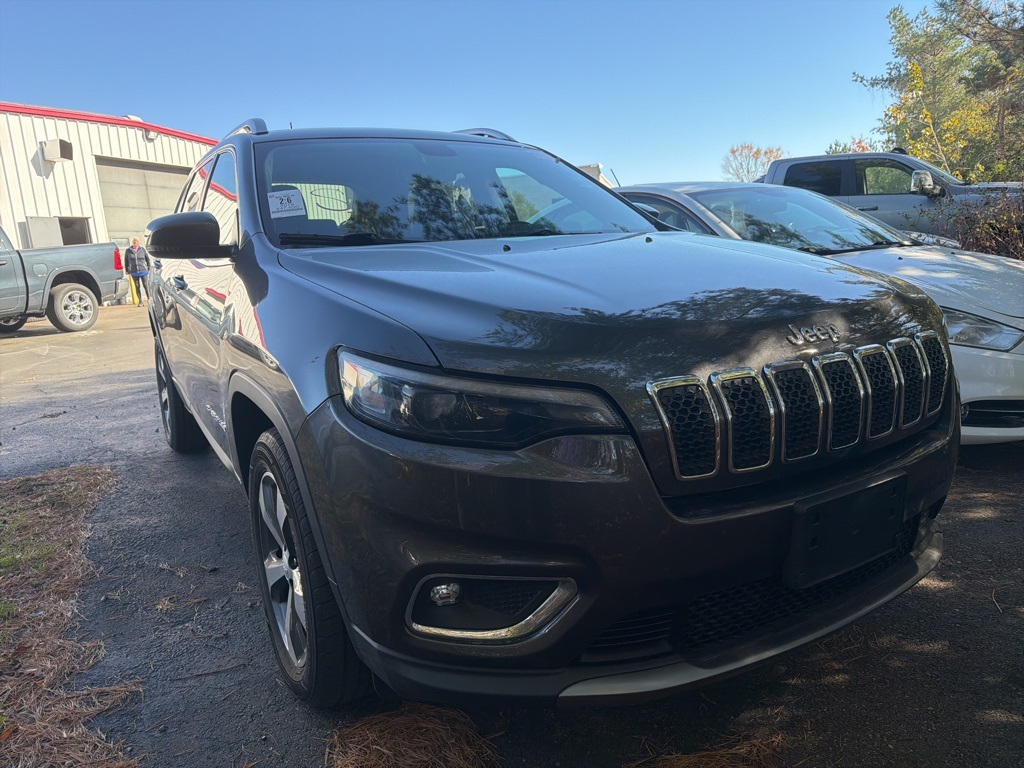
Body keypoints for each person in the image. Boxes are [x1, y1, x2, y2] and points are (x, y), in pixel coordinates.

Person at [124, 237, 150, 307]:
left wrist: (148, 268)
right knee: (137, 286)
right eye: (135, 242)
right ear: (133, 243)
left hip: (143, 271)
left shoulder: (142, 250)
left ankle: (149, 300)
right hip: (134, 271)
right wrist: (126, 269)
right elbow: (126, 261)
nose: (136, 243)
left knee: (145, 285)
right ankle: (140, 301)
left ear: (139, 243)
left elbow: (147, 259)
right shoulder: (128, 251)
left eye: (137, 242)